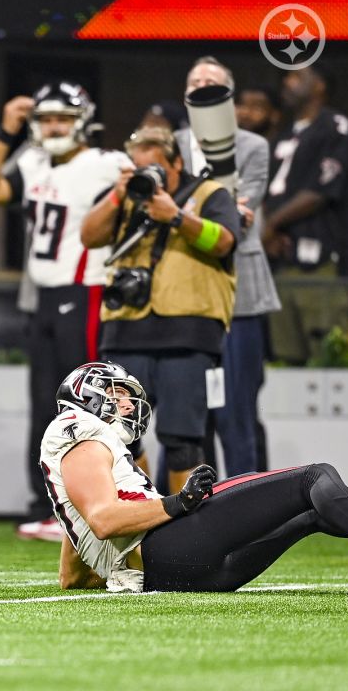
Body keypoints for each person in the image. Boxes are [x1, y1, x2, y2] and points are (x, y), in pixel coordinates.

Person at [0, 81, 128, 542]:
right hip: (42, 296)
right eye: (46, 118)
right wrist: (4, 132)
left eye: (62, 117)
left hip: (86, 290)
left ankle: (101, 498)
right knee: (46, 402)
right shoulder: (32, 161)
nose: (54, 126)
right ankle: (49, 504)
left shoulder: (105, 164)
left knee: (89, 401)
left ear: (82, 120)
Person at [43, 361, 348, 592]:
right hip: (167, 547)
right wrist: (178, 503)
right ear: (89, 396)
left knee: (311, 516)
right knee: (314, 478)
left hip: (177, 573)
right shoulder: (81, 432)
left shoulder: (77, 455)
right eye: (117, 394)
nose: (127, 404)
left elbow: (72, 577)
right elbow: (104, 520)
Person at [80, 126, 240, 494]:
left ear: (177, 163)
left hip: (189, 332)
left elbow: (225, 241)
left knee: (182, 440)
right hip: (126, 330)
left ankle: (187, 532)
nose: (147, 177)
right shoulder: (125, 196)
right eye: (140, 168)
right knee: (120, 438)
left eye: (155, 169)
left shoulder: (209, 193)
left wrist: (177, 216)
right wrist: (118, 197)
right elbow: (88, 236)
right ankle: (139, 520)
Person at [180, 57, 281, 477]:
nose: (203, 85)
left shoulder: (253, 146)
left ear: (228, 95)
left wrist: (184, 212)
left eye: (212, 81)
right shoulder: (173, 143)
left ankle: (251, 507)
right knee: (187, 414)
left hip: (241, 296)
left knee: (237, 410)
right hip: (187, 294)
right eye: (195, 80)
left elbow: (239, 215)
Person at [262, 66, 348, 365]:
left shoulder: (335, 126)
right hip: (282, 264)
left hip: (321, 263)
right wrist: (268, 230)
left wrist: (272, 225)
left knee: (327, 357)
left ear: (319, 85)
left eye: (296, 77)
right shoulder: (283, 136)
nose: (287, 83)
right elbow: (266, 191)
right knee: (285, 359)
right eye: (286, 78)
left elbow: (320, 190)